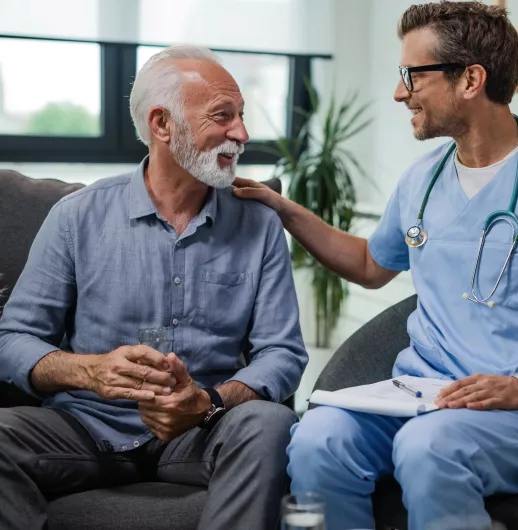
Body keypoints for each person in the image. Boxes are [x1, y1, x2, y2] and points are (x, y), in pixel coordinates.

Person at [231, 2, 518, 529]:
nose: (399, 92)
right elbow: (368, 264)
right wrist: (285, 210)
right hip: (423, 393)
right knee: (318, 439)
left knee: (430, 448)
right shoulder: (423, 178)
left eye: (412, 75)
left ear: (471, 78)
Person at [0, 44, 308, 530]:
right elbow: (11, 341)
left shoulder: (259, 224)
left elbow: (283, 353)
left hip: (201, 429)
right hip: (84, 426)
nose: (242, 134)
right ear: (162, 125)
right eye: (223, 116)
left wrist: (210, 403)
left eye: (241, 116)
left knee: (271, 425)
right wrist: (89, 372)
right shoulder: (76, 217)